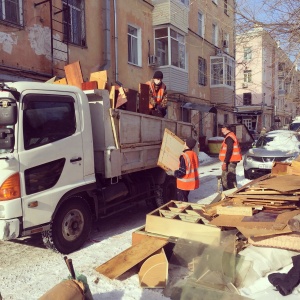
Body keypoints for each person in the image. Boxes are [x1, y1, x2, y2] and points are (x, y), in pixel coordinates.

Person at [168, 137, 199, 202]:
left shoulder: (184, 156)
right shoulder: (193, 154)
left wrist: (173, 173)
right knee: (185, 199)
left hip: (183, 184)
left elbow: (182, 172)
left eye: (185, 143)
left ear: (186, 145)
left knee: (182, 202)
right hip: (189, 183)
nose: (184, 144)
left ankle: (183, 211)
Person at [219, 124, 242, 191]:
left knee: (227, 178)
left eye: (222, 128)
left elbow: (229, 150)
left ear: (226, 128)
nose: (221, 130)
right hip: (231, 160)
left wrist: (225, 162)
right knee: (231, 178)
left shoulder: (229, 137)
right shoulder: (231, 136)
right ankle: (232, 192)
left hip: (230, 161)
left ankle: (228, 194)